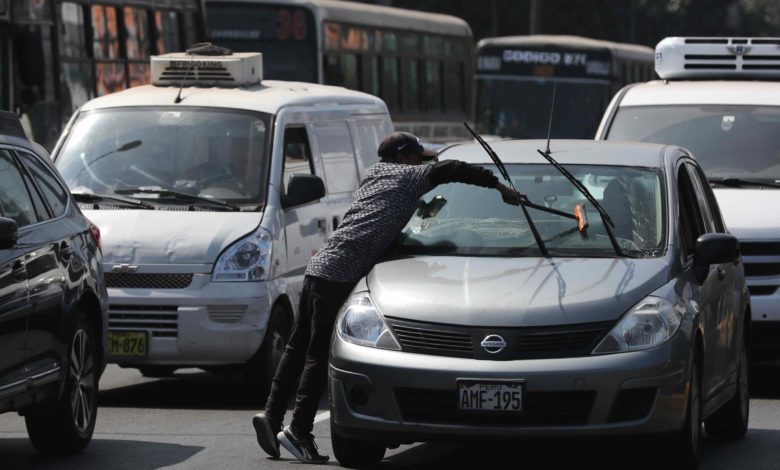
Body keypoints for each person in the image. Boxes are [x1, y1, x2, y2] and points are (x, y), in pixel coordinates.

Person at [252, 131, 523, 464]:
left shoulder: (374, 175)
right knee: (317, 354)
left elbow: (384, 223)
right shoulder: (409, 177)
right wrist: (499, 188)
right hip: (339, 273)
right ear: (404, 157)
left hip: (319, 266)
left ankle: (271, 415)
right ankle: (299, 432)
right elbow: (452, 169)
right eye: (416, 156)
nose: (420, 161)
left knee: (297, 347)